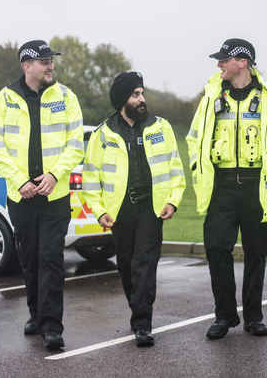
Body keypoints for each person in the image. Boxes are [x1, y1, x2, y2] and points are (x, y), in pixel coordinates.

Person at [187, 38, 267, 340]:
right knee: (216, 249)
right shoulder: (212, 96)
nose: (219, 65)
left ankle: (254, 316)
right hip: (221, 186)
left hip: (257, 187)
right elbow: (194, 137)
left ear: (243, 62)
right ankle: (224, 315)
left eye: (224, 59)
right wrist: (198, 167)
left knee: (256, 254)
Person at [0, 40, 84, 350]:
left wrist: (55, 175)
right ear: (26, 65)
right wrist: (19, 180)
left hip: (55, 196)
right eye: (43, 61)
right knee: (29, 259)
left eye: (51, 60)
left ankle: (52, 326)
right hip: (21, 196)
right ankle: (36, 315)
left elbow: (76, 143)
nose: (50, 65)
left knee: (50, 259)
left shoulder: (66, 97)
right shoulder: (4, 99)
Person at [82, 71, 185, 347]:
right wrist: (98, 209)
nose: (142, 99)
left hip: (152, 209)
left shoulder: (160, 127)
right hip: (120, 211)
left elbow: (176, 169)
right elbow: (91, 178)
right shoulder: (102, 135)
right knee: (127, 266)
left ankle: (143, 323)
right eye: (135, 94)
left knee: (145, 264)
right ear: (122, 100)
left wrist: (173, 200)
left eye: (142, 93)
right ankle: (137, 310)